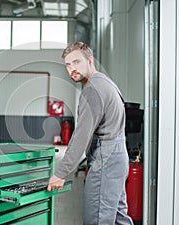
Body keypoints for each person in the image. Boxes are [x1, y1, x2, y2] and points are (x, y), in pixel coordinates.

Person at [47, 42, 134, 225]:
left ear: (89, 60)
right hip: (118, 157)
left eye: (76, 62)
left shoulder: (92, 91)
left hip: (106, 159)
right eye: (68, 65)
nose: (72, 69)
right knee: (118, 218)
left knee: (97, 219)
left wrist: (60, 173)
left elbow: (81, 137)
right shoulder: (105, 81)